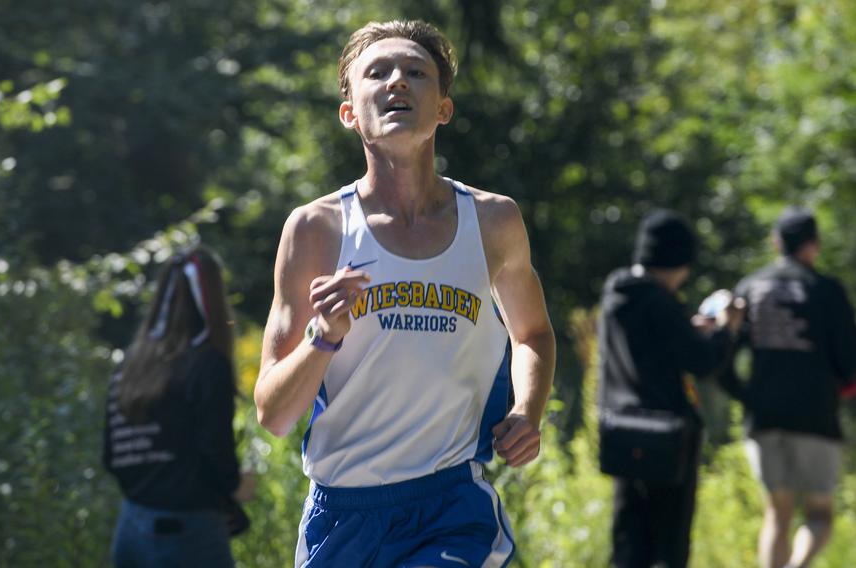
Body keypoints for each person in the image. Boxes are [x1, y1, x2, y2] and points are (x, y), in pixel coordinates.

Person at [253, 19, 556, 568]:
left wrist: (527, 411)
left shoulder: (492, 221)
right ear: (349, 113)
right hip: (343, 514)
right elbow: (273, 415)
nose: (397, 82)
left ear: (443, 108)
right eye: (378, 72)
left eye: (416, 72)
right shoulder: (315, 229)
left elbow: (532, 333)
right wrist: (322, 338)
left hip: (452, 505)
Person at [597, 209, 741, 568]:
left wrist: (688, 328)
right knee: (668, 548)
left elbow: (653, 346)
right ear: (676, 261)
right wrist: (726, 329)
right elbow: (704, 361)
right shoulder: (660, 302)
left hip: (623, 432)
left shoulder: (617, 293)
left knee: (628, 541)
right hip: (667, 439)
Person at [103, 245, 254, 567]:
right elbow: (216, 450)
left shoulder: (130, 364)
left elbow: (111, 456)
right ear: (213, 297)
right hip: (189, 533)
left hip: (130, 528)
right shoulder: (207, 365)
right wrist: (236, 487)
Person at [728, 207, 856, 568]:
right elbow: (849, 364)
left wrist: (745, 395)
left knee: (776, 514)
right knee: (819, 515)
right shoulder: (828, 291)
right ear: (814, 245)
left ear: (775, 242)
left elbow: (723, 352)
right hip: (816, 416)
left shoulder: (750, 287)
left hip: (764, 417)